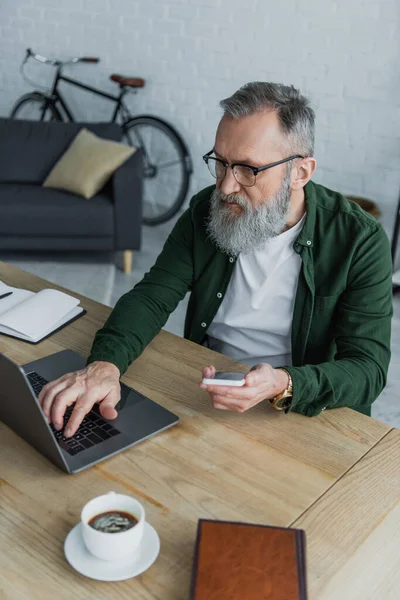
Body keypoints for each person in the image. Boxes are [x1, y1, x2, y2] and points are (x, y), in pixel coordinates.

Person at [39, 82, 393, 438]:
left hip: (302, 405)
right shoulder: (206, 211)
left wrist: (284, 383)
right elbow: (151, 296)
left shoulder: (359, 240)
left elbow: (368, 369)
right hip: (208, 386)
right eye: (221, 163)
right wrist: (105, 365)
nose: (225, 187)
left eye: (248, 170)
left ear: (300, 172)